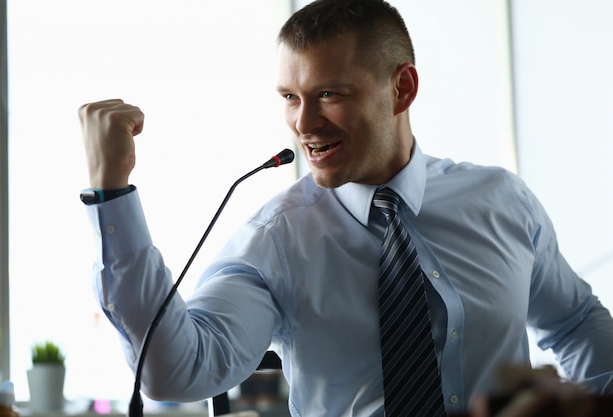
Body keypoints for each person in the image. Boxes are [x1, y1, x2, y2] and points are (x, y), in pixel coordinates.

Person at [78, 0, 613, 415]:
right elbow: (177, 371)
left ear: (401, 88)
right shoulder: (276, 240)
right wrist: (112, 191)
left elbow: (574, 323)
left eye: (330, 94)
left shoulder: (502, 202)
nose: (304, 123)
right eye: (290, 96)